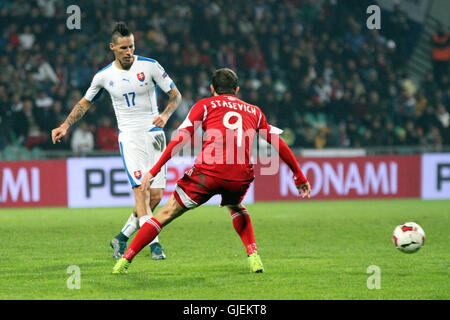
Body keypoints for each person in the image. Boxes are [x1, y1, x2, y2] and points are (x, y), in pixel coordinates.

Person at [112, 68, 311, 274]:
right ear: (237, 89)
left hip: (208, 174)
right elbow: (278, 142)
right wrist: (298, 175)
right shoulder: (254, 111)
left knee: (166, 212)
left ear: (212, 88)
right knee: (236, 206)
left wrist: (154, 170)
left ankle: (125, 261)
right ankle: (253, 255)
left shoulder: (205, 105)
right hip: (239, 176)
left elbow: (181, 138)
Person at [51, 22, 182, 260]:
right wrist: (65, 125)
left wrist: (165, 115)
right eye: (123, 47)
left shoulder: (151, 66)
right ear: (112, 47)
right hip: (130, 137)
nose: (128, 51)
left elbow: (175, 95)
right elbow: (84, 104)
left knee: (155, 196)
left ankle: (121, 238)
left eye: (131, 46)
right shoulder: (104, 77)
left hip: (155, 135)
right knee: (141, 191)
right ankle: (154, 245)